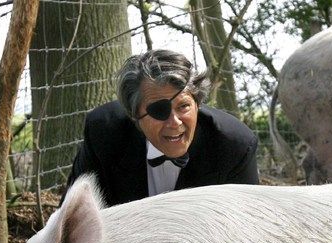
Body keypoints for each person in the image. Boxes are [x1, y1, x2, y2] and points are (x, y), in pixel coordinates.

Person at [63, 49, 260, 206]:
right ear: (134, 116)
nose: (175, 122)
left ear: (197, 104)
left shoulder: (235, 145)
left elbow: (248, 232)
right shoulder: (104, 133)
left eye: (183, 106)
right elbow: (72, 219)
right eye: (159, 110)